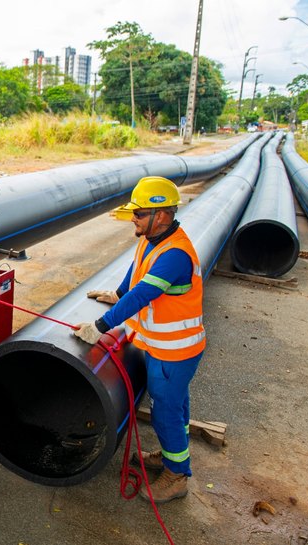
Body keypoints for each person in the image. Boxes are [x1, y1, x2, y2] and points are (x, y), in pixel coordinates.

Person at [73, 176, 205, 504]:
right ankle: (172, 454)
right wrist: (115, 294)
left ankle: (177, 476)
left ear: (161, 215)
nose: (132, 217)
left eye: (139, 212)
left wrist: (100, 325)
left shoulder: (175, 255)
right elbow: (136, 271)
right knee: (177, 407)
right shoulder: (153, 238)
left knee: (165, 410)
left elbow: (144, 293)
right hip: (163, 347)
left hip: (175, 350)